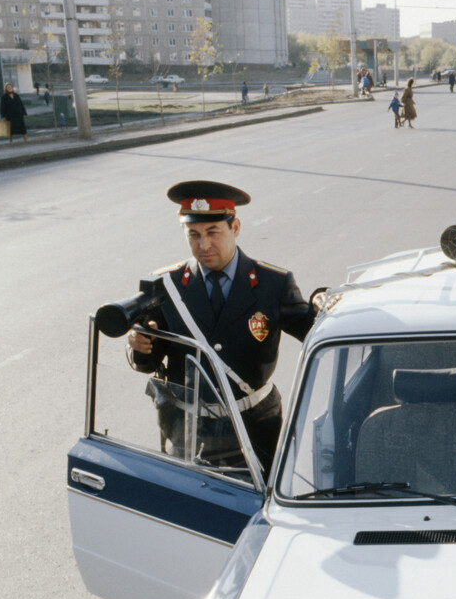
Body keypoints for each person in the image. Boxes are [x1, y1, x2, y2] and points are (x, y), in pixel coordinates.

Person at [126, 180, 316, 474]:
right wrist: (139, 347)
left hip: (254, 430)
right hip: (190, 433)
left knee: (258, 512)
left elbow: (314, 332)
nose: (204, 245)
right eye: (194, 235)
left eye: (213, 232)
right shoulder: (167, 286)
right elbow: (148, 360)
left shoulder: (273, 284)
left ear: (235, 227)